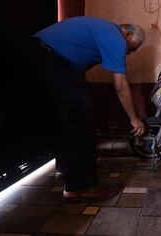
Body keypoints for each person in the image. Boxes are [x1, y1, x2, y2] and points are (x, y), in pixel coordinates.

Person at [28, 16, 145, 202]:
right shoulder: (115, 36)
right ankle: (79, 187)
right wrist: (134, 118)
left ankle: (65, 169)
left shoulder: (103, 29)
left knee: (67, 116)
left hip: (38, 54)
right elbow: (121, 85)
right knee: (82, 115)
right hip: (51, 61)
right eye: (132, 48)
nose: (129, 53)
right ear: (127, 33)